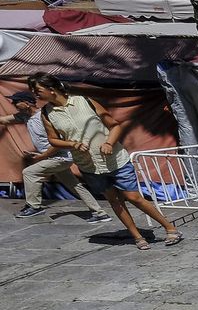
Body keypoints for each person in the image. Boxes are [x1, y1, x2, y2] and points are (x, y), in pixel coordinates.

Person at [32, 72, 179, 249]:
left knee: (133, 197)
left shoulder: (84, 101)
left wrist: (109, 142)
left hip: (115, 160)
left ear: (52, 89)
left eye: (38, 90)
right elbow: (53, 139)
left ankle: (170, 228)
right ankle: (137, 237)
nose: (35, 94)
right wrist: (72, 144)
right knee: (114, 200)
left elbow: (114, 125)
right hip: (89, 165)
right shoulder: (47, 113)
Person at [11, 89, 106, 221]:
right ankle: (100, 213)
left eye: (16, 102)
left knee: (30, 172)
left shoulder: (43, 117)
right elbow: (4, 120)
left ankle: (34, 207)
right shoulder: (24, 116)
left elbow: (58, 143)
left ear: (27, 103)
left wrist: (42, 156)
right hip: (53, 158)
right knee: (74, 185)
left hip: (61, 157)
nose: (13, 104)